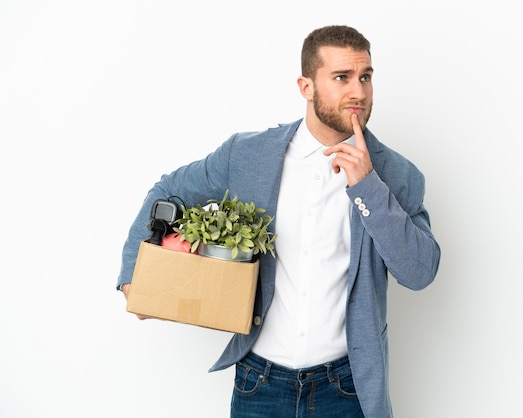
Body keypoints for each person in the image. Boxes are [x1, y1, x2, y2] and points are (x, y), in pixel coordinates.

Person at [117, 24, 440, 418]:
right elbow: (170, 191)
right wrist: (135, 274)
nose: (358, 92)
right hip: (260, 384)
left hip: (347, 388)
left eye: (366, 77)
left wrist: (369, 187)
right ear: (306, 87)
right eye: (342, 77)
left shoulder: (398, 174)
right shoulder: (248, 155)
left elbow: (419, 272)